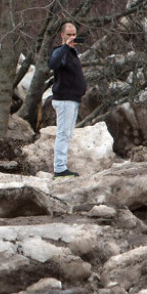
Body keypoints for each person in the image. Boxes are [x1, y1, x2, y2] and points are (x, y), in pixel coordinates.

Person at [48, 22, 87, 179]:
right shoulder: (60, 51)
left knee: (68, 134)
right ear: (62, 35)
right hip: (64, 99)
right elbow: (52, 63)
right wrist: (65, 46)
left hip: (73, 99)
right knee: (63, 133)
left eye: (74, 34)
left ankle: (62, 166)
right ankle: (59, 168)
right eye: (69, 34)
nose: (72, 37)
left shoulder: (73, 53)